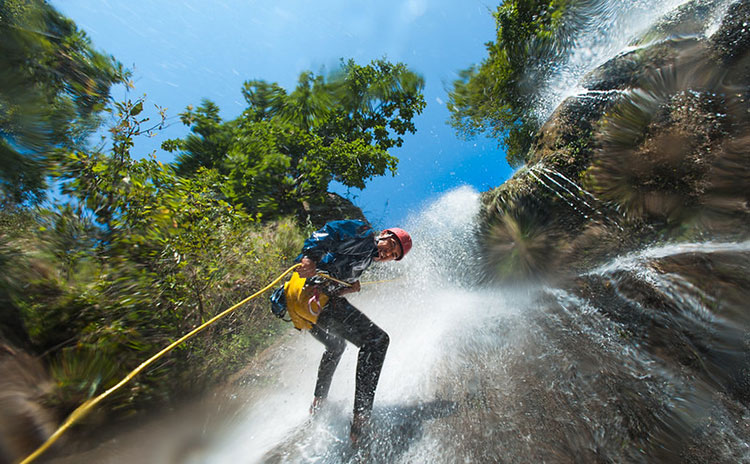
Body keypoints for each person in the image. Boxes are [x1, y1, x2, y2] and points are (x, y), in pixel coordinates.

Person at [293, 219, 412, 443]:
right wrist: (309, 256)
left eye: (394, 255)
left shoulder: (364, 259)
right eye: (391, 247)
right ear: (385, 235)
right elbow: (331, 231)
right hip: (313, 297)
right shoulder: (364, 235)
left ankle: (318, 401)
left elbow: (332, 280)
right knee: (377, 341)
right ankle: (361, 418)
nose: (389, 254)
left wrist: (348, 287)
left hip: (305, 306)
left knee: (336, 346)